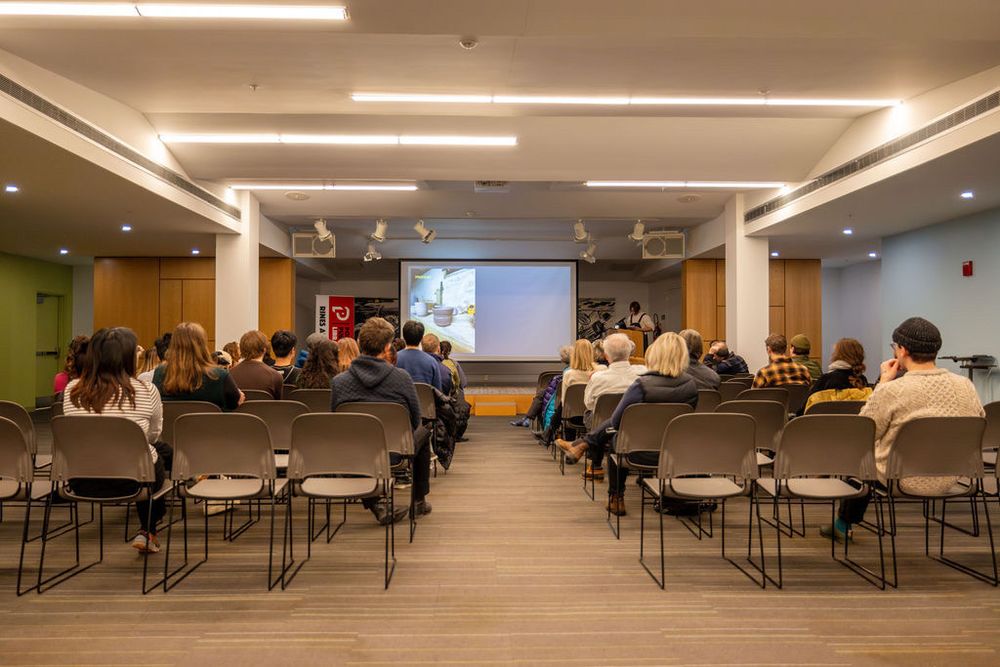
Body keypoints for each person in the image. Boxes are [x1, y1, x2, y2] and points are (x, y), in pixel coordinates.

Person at [822, 317, 985, 542]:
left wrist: (883, 385)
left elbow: (861, 434)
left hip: (900, 479)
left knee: (862, 458)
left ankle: (842, 523)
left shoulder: (893, 390)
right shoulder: (966, 386)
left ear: (902, 350)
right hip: (952, 477)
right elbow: (977, 426)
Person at [557, 332, 698, 516]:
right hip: (674, 453)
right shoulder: (691, 386)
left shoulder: (642, 386)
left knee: (618, 435)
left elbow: (616, 421)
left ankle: (616, 497)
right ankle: (583, 444)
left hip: (636, 452)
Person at [63, 327, 169, 554]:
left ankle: (147, 531)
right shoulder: (147, 390)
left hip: (81, 479)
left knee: (145, 455)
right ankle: (148, 530)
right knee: (152, 456)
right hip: (133, 481)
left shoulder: (71, 390)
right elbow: (153, 436)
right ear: (130, 357)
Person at [330, 317, 432, 525]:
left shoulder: (339, 382)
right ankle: (419, 500)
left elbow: (337, 424)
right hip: (396, 453)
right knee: (424, 432)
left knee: (349, 445)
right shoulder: (401, 378)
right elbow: (414, 421)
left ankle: (376, 503)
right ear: (387, 348)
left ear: (360, 343)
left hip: (354, 454)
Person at [153, 322, 242, 411]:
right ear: (202, 345)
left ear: (173, 345)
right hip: (212, 424)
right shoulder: (220, 376)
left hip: (170, 425)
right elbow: (233, 406)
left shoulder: (159, 373)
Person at [582, 333, 646, 417]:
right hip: (634, 423)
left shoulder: (597, 378)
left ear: (606, 356)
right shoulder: (644, 373)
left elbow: (589, 404)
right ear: (629, 352)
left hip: (602, 424)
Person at [803, 338, 872, 412]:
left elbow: (804, 410)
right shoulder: (863, 381)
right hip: (855, 423)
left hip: (825, 423)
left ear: (837, 355)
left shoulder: (826, 380)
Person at [510, 345, 571, 428]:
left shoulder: (569, 372)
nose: (560, 358)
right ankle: (527, 418)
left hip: (563, 402)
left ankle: (528, 418)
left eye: (561, 356)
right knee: (541, 394)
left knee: (541, 396)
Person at [229, 330, 284, 399]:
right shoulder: (275, 376)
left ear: (242, 350)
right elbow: (278, 406)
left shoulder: (229, 375)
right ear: (264, 350)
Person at [395, 320, 443, 390]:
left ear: (404, 337)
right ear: (421, 339)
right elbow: (438, 392)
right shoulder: (432, 362)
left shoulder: (394, 358)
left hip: (400, 401)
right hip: (426, 401)